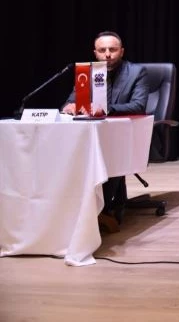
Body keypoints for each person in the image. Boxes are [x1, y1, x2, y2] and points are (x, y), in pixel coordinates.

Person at [62, 31, 149, 232]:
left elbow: (138, 105)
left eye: (112, 49)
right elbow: (71, 101)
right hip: (92, 134)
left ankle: (102, 210)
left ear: (122, 51)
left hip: (127, 133)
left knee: (112, 152)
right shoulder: (87, 73)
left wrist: (105, 110)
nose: (107, 54)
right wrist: (69, 106)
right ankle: (75, 208)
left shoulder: (137, 72)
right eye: (102, 50)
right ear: (95, 53)